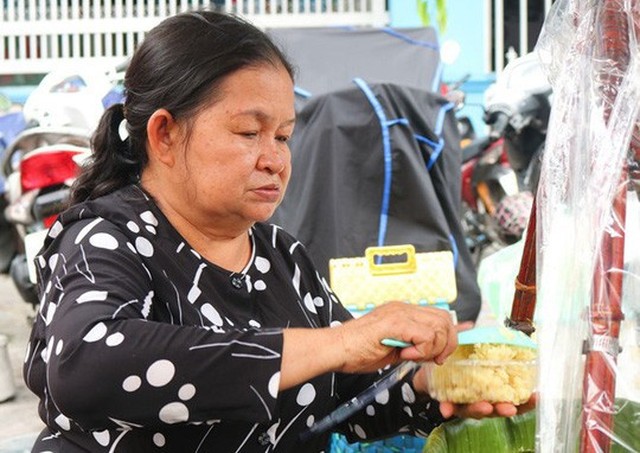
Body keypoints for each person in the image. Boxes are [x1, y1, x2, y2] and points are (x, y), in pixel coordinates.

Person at [23, 11, 529, 452]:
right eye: (249, 133)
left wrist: (435, 383)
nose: (275, 159)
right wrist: (338, 342)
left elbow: (346, 397)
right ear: (165, 133)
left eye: (284, 136)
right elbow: (87, 366)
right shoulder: (105, 238)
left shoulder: (280, 256)